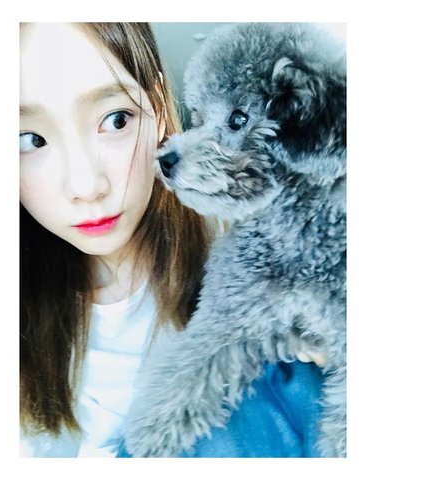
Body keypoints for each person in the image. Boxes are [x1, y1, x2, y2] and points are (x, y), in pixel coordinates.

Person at [20, 22, 324, 458]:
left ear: (159, 108)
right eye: (29, 140)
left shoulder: (260, 251)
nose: (86, 186)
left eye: (116, 120)